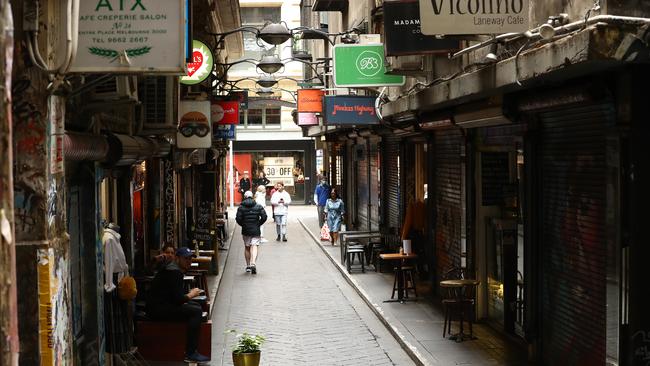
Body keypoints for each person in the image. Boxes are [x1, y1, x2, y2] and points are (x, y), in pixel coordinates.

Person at [146, 247, 209, 364]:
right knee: (195, 311)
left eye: (190, 259)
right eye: (186, 259)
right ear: (177, 258)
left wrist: (189, 298)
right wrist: (191, 294)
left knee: (195, 306)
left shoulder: (172, 270)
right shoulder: (174, 272)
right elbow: (178, 300)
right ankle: (190, 352)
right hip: (158, 310)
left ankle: (193, 349)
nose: (189, 262)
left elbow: (174, 296)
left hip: (162, 305)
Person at [235, 191, 267, 274]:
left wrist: (243, 224)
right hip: (256, 229)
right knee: (255, 245)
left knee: (247, 247)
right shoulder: (258, 206)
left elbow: (238, 219)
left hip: (245, 229)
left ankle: (248, 266)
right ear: (252, 196)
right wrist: (258, 224)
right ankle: (253, 262)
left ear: (245, 197)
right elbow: (264, 216)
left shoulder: (241, 207)